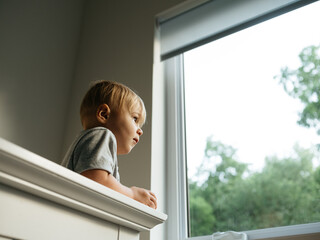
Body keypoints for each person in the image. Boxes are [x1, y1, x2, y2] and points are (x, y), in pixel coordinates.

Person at [61, 80, 157, 209]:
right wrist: (133, 195)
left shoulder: (88, 141)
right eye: (135, 119)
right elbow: (98, 180)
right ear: (104, 114)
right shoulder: (102, 134)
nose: (140, 130)